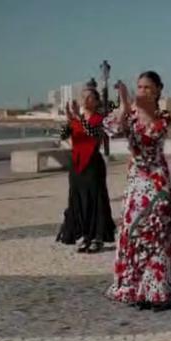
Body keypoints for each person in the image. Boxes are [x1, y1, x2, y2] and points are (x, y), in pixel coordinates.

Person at [103, 71, 171, 309]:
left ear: (158, 90)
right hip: (135, 182)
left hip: (156, 181)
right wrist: (124, 106)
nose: (142, 91)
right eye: (139, 87)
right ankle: (135, 289)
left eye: (147, 88)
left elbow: (153, 133)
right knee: (133, 233)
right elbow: (110, 128)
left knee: (156, 231)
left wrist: (138, 108)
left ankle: (157, 290)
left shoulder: (163, 116)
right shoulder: (129, 113)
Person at [55, 83, 116, 253]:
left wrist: (78, 118)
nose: (86, 100)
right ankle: (84, 235)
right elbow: (62, 136)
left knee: (95, 200)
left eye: (90, 97)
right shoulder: (77, 119)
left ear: (96, 102)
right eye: (84, 97)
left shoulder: (100, 119)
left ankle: (97, 237)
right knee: (79, 200)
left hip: (93, 165)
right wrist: (69, 119)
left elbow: (93, 134)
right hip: (76, 165)